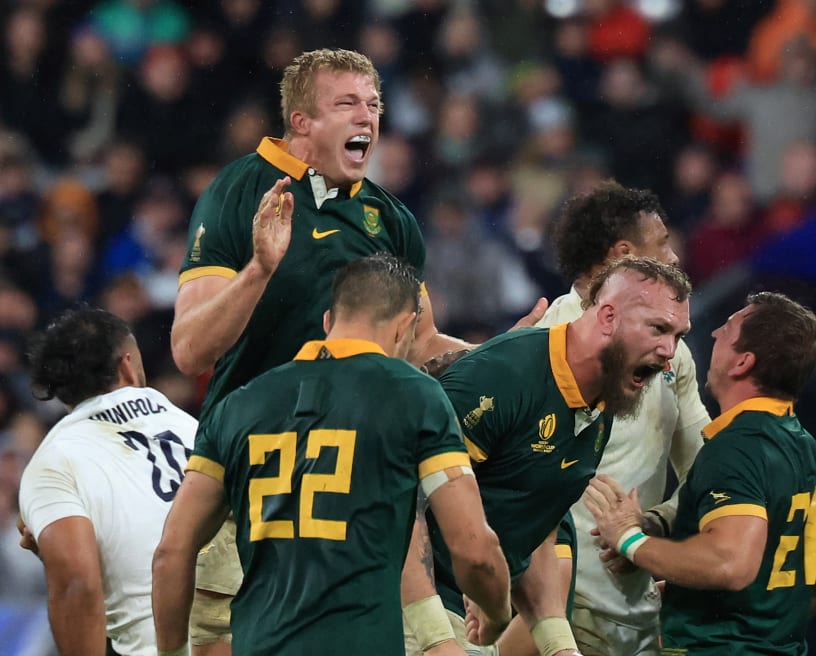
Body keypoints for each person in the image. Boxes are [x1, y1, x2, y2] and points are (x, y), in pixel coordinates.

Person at [170, 48, 543, 652]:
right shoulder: (241, 190)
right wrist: (258, 271)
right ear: (302, 123)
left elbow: (417, 344)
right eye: (346, 103)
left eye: (373, 104)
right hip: (251, 474)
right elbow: (189, 350)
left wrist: (502, 354)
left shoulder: (389, 219)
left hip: (353, 477)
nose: (366, 117)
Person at [151, 254, 512, 656]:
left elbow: (172, 549)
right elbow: (474, 549)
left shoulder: (238, 405)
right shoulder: (416, 396)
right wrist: (496, 613)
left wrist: (170, 652)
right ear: (405, 327)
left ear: (327, 322)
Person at [404, 256, 694, 656]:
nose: (669, 351)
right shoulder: (502, 378)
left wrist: (559, 647)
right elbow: (399, 499)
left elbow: (537, 525)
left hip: (468, 620)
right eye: (659, 329)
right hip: (406, 606)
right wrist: (434, 635)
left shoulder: (600, 403)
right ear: (607, 317)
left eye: (679, 335)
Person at [584, 291, 816, 654]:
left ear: (743, 363)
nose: (713, 335)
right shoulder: (807, 449)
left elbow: (730, 564)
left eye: (727, 329)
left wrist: (629, 540)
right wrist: (693, 598)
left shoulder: (737, 449)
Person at [534, 181, 710, 656]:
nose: (674, 257)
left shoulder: (674, 352)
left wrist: (653, 524)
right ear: (624, 255)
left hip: (643, 614)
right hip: (561, 613)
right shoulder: (547, 342)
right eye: (663, 244)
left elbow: (707, 470)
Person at [17, 307, 198, 655]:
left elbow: (77, 585)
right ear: (127, 365)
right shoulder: (189, 425)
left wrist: (56, 554)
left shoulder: (53, 461)